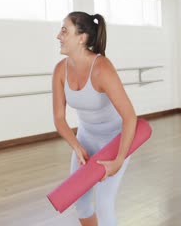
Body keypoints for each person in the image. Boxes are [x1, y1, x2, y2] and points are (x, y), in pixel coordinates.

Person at [52, 11, 137, 226]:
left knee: (104, 204)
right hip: (86, 137)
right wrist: (76, 146)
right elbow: (59, 119)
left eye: (64, 31)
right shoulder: (60, 71)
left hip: (114, 141)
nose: (58, 36)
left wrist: (119, 160)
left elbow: (129, 117)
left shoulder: (101, 68)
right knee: (80, 202)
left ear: (81, 38)